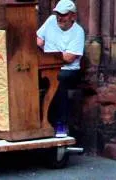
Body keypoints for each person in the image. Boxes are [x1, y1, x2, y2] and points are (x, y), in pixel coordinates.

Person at [36, 0, 85, 137]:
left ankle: (61, 123)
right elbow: (38, 40)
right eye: (58, 13)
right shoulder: (51, 20)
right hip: (47, 66)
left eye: (63, 15)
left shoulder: (78, 32)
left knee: (59, 79)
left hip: (69, 70)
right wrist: (57, 54)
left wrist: (50, 53)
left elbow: (69, 58)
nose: (59, 17)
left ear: (73, 16)